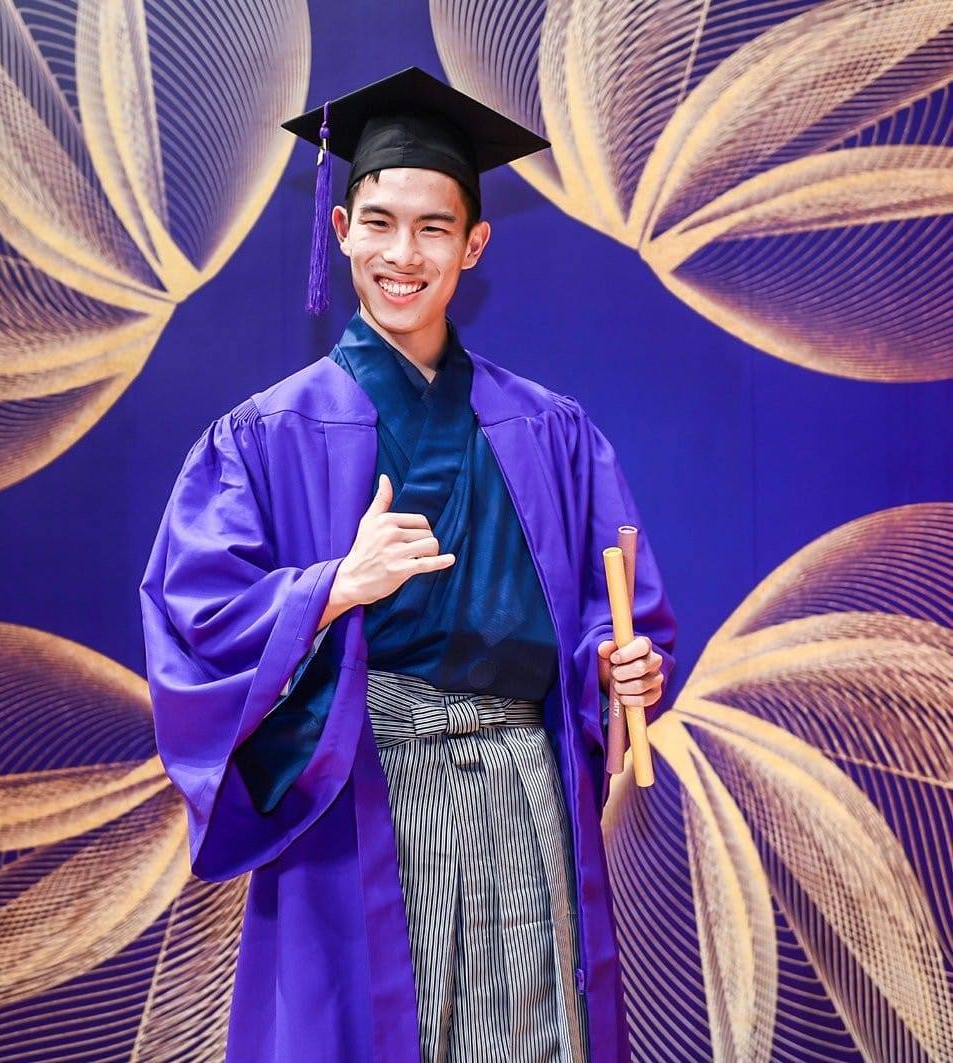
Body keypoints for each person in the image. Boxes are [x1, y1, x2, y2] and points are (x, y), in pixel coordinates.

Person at [139, 66, 676, 1063]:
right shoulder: (262, 438)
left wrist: (619, 666)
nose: (403, 254)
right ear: (340, 226)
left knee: (531, 1037)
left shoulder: (551, 430)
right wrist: (333, 584)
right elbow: (195, 619)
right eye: (379, 223)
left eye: (434, 228)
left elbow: (617, 616)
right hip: (364, 789)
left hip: (522, 780)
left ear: (474, 244)